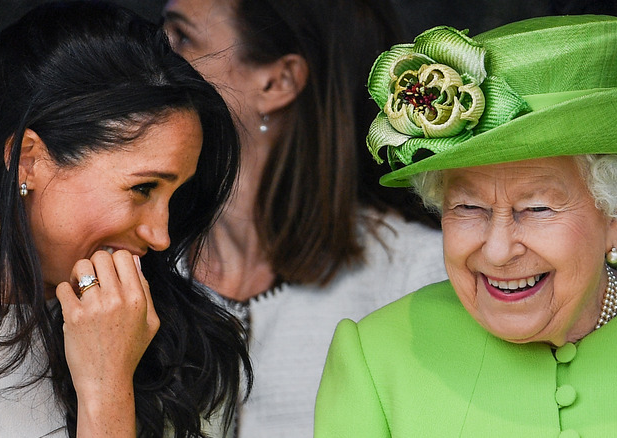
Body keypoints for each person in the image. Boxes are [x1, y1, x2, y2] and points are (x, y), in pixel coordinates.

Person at [315, 15, 617, 436]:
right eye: (468, 207)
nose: (498, 250)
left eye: (536, 209)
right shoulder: (376, 358)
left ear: (614, 215)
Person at [0, 1, 250, 436]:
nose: (161, 236)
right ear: (27, 162)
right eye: (143, 188)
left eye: (176, 195)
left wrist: (107, 387)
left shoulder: (188, 349)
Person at [161, 0, 447, 436]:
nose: (151, 56)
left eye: (182, 38)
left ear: (277, 82)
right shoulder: (136, 260)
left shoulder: (415, 274)